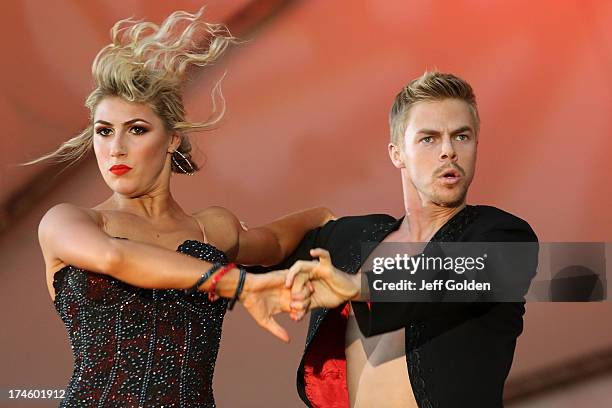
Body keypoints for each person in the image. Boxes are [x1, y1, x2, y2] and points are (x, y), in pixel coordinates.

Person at [23, 9, 325, 407]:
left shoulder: (211, 229)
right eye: (104, 131)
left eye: (136, 129)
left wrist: (322, 216)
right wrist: (242, 284)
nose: (116, 148)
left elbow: (274, 241)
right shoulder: (68, 221)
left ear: (171, 140)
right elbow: (115, 256)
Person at [279, 71, 539, 407]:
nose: (448, 151)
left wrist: (358, 286)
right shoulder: (352, 238)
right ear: (396, 153)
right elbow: (252, 248)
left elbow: (460, 274)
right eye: (429, 139)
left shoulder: (502, 235)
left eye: (462, 136)